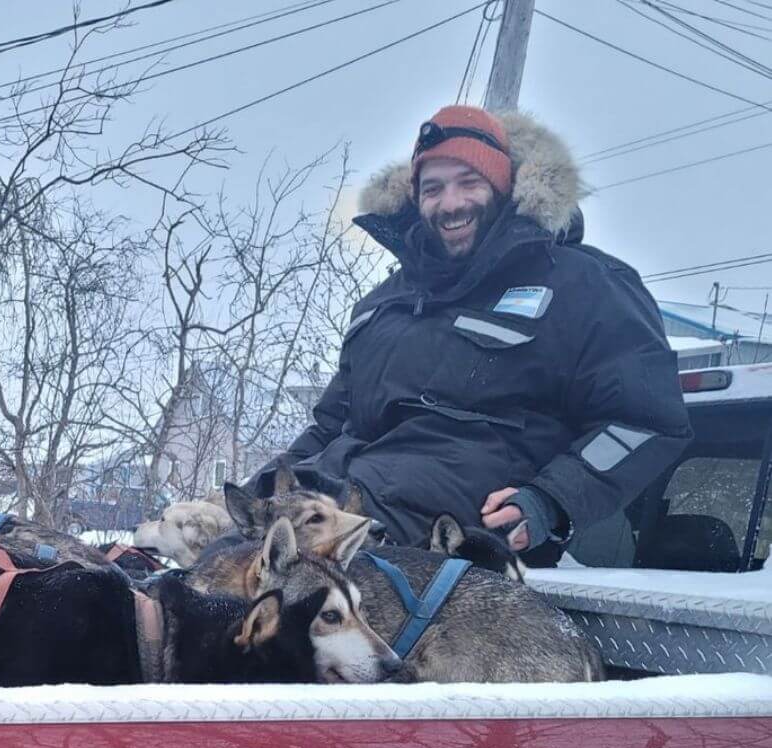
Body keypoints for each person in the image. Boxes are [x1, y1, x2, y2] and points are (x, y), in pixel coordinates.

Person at [254, 105, 691, 561]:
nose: (451, 204)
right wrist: (251, 496)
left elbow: (644, 420)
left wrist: (549, 501)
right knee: (209, 565)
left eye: (469, 182)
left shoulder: (581, 285)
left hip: (445, 535)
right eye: (433, 188)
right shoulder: (384, 302)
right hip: (334, 502)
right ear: (414, 198)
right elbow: (329, 426)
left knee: (282, 592)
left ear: (503, 188)